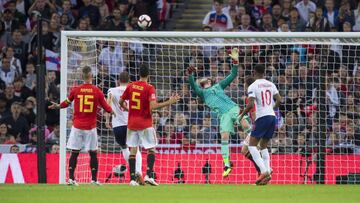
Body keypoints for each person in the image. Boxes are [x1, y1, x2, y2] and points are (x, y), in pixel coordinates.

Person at [187, 48, 251, 177]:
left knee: (244, 125)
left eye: (206, 78)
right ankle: (227, 164)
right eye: (202, 79)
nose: (204, 79)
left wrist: (235, 61)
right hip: (223, 115)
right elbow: (192, 85)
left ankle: (253, 140)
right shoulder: (202, 93)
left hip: (232, 108)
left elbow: (232, 75)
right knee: (224, 137)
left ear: (210, 81)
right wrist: (190, 75)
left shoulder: (219, 86)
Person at [49, 66, 113, 186]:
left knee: (75, 152)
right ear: (92, 76)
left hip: (77, 126)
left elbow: (66, 103)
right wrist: (114, 111)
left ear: (82, 77)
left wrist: (57, 106)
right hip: (90, 127)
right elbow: (106, 107)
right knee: (93, 153)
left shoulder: (76, 90)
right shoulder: (97, 90)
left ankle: (72, 179)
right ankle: (94, 180)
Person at [119, 64, 179, 186]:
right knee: (151, 149)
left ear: (139, 74)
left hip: (132, 123)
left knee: (133, 151)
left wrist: (128, 110)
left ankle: (131, 179)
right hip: (145, 123)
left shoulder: (131, 86)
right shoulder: (149, 87)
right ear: (149, 76)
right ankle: (149, 175)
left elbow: (121, 102)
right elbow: (153, 107)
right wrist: (169, 102)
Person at [239, 64, 282, 185]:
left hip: (262, 118)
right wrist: (271, 109)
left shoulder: (253, 86)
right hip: (272, 117)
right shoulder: (271, 84)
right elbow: (279, 100)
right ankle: (267, 170)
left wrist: (241, 115)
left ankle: (263, 171)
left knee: (252, 147)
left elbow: (251, 105)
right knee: (263, 146)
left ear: (254, 72)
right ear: (264, 72)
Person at [105, 71, 144, 185]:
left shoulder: (111, 90)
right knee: (135, 149)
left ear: (118, 80)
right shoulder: (133, 90)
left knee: (124, 148)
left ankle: (135, 173)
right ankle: (139, 172)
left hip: (117, 126)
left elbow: (108, 105)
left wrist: (107, 120)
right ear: (129, 80)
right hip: (131, 124)